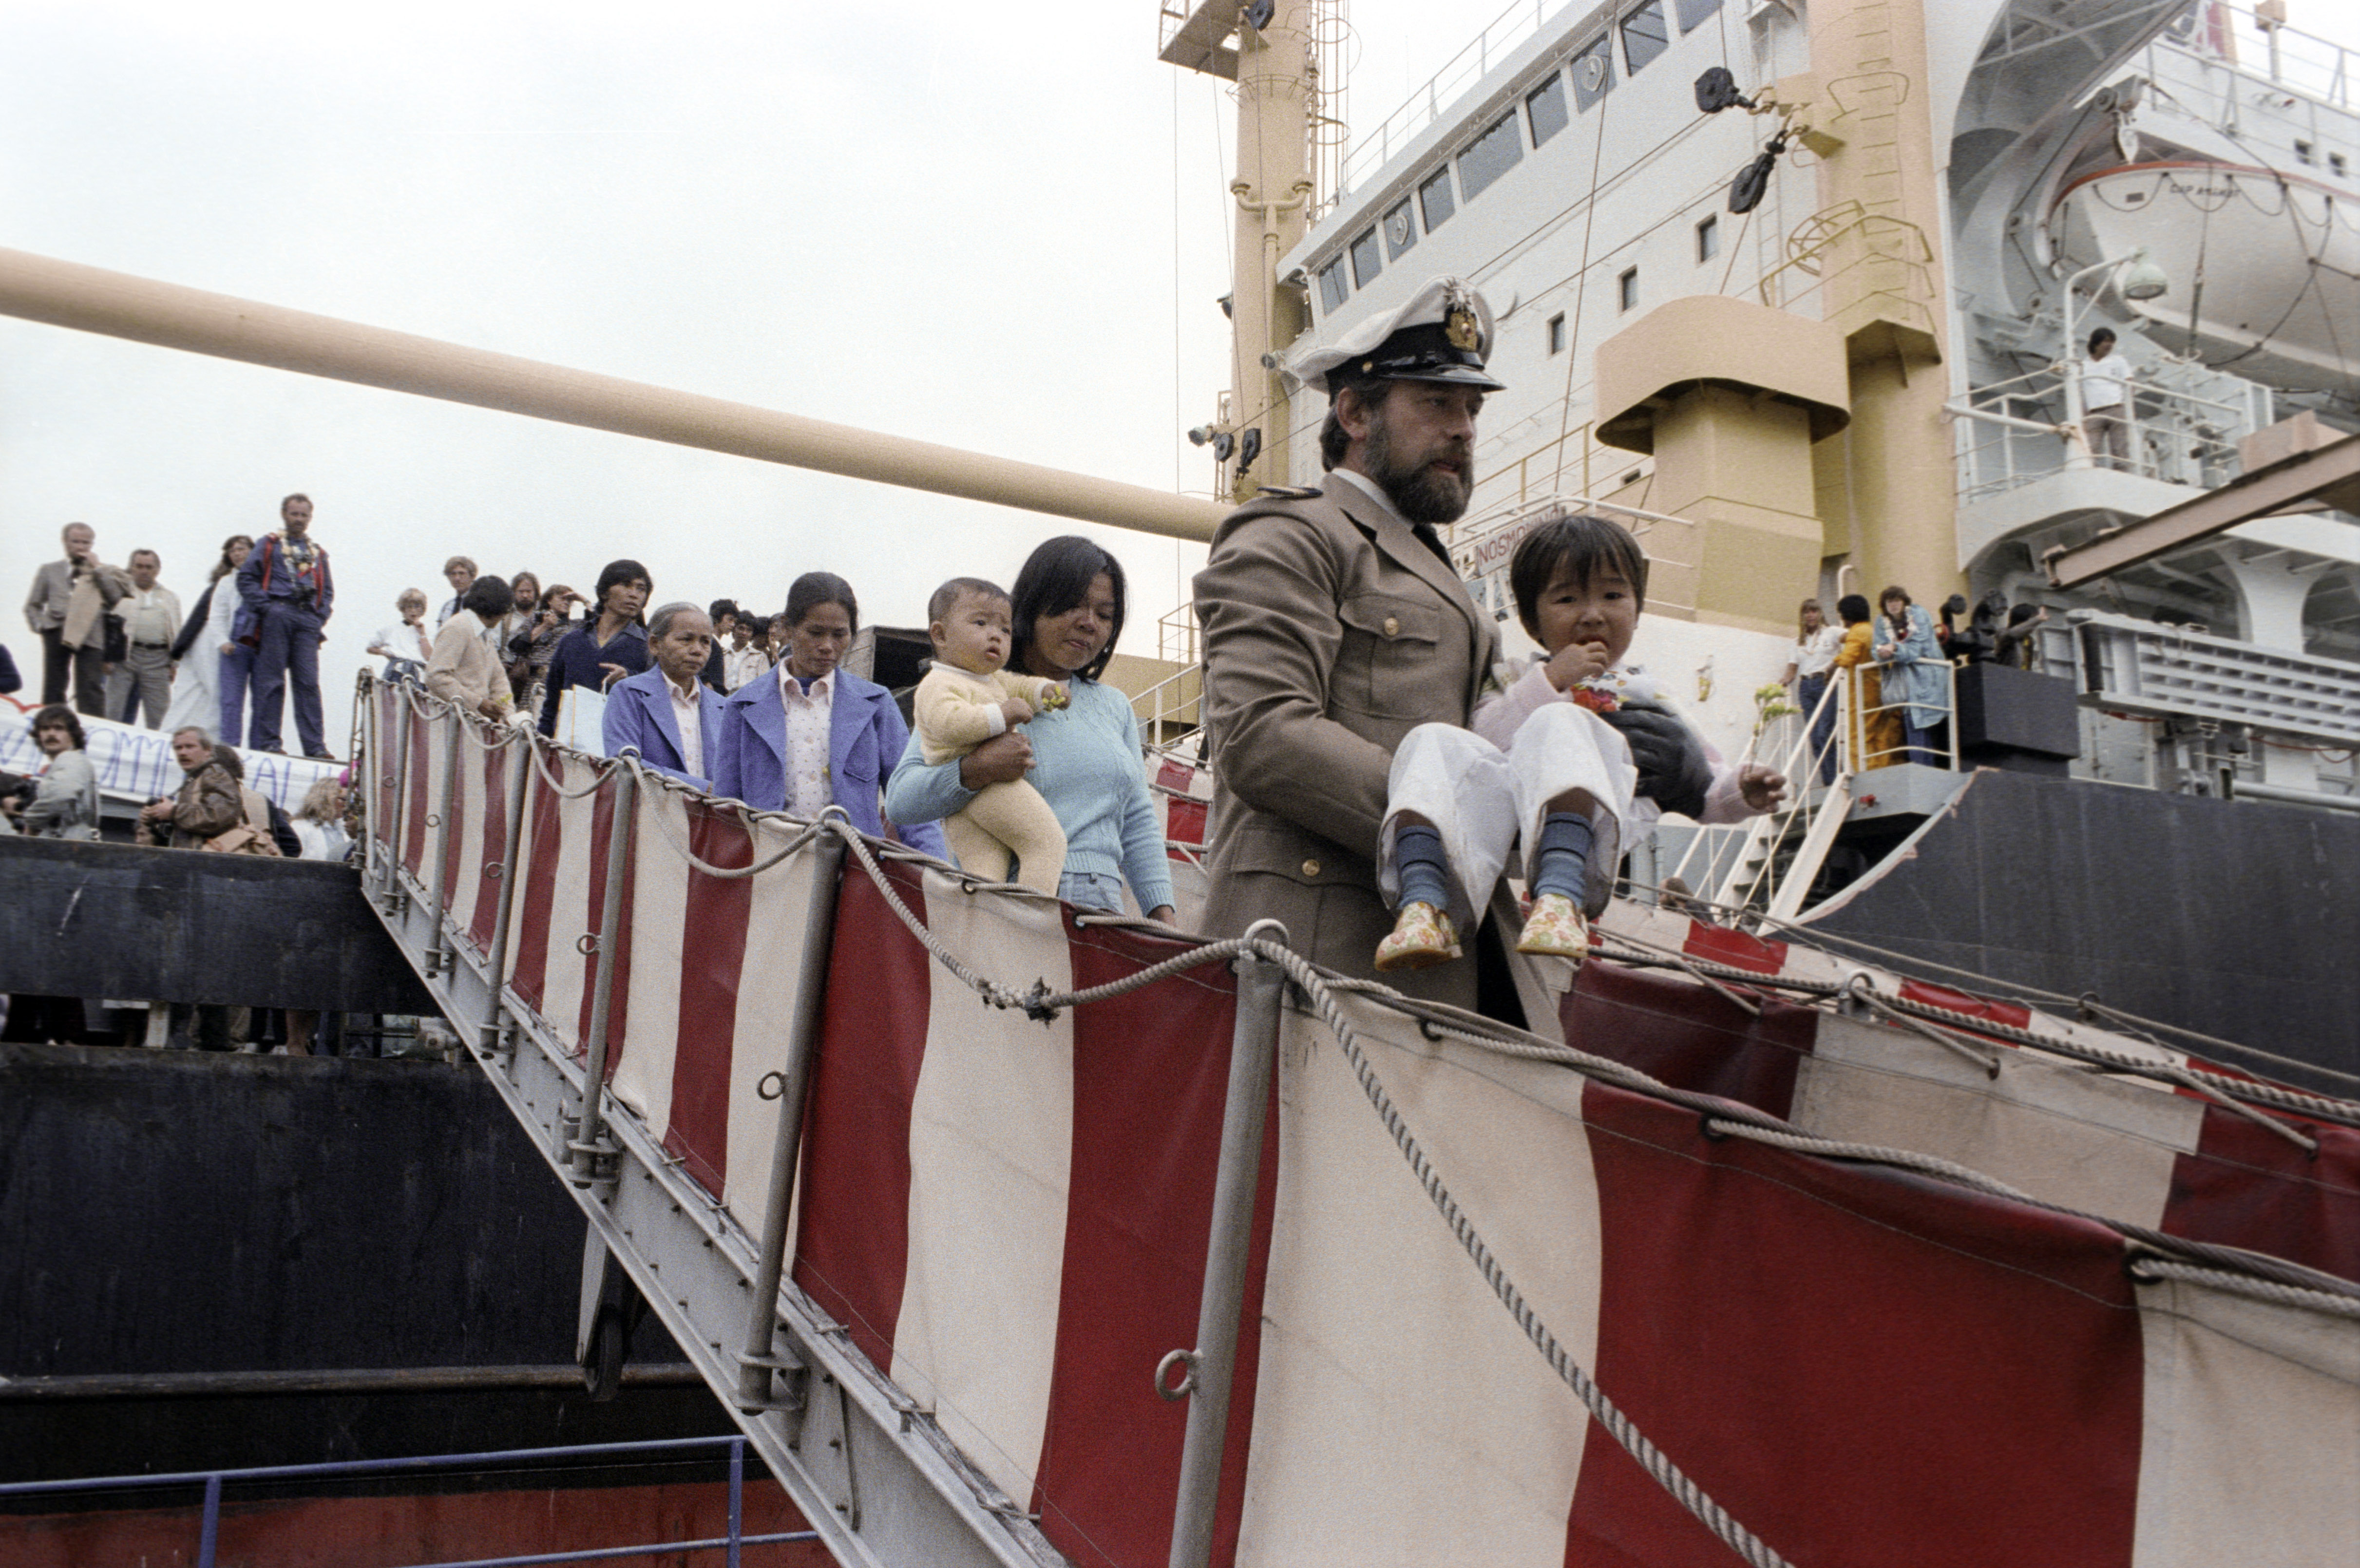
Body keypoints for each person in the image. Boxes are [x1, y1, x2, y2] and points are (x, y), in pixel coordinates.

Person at [1189, 278, 1510, 1003]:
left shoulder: (1436, 570)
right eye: (1437, 403)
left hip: (1434, 970)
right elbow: (1261, 734)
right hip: (1315, 966)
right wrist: (1447, 823)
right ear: (1355, 412)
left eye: (1472, 408)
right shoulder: (1290, 534)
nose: (1463, 428)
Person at [1371, 513, 1785, 970]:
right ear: (1531, 620)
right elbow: (1482, 742)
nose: (1593, 613)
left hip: (1595, 831)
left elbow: (1704, 788)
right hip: (1511, 821)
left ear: (1636, 608)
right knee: (1431, 739)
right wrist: (1550, 680)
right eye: (1568, 598)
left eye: (1613, 595)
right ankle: (1424, 905)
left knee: (1561, 721)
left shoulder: (1646, 694)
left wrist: (1742, 793)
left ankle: (1561, 897)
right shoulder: (1516, 678)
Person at [886, 539, 1173, 920]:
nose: (1089, 622)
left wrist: (1163, 913)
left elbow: (1137, 819)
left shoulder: (1115, 706)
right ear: (1033, 606)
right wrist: (977, 768)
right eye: (1073, 605)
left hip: (1103, 908)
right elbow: (902, 800)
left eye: (1105, 615)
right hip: (1007, 904)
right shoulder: (979, 688)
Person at [714, 572, 946, 857]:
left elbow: (912, 803)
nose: (827, 646)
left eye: (840, 634)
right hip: (769, 869)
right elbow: (725, 810)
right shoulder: (742, 706)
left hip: (856, 873)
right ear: (788, 628)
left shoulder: (876, 704)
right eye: (815, 632)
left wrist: (937, 878)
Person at [909, 578, 1070, 893]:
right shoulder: (937, 683)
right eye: (981, 622)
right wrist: (1003, 715)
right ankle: (1029, 920)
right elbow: (950, 724)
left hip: (962, 801)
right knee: (1047, 844)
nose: (995, 634)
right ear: (940, 635)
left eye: (1005, 629)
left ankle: (982, 934)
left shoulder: (988, 679)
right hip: (989, 785)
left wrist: (1045, 691)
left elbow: (1019, 686)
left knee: (985, 872)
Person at [237, 494, 336, 759]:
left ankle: (315, 747)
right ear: (284, 514)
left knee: (308, 683)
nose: (299, 520)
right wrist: (267, 607)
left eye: (304, 515)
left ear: (310, 518)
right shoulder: (270, 544)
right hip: (278, 613)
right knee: (271, 680)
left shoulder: (319, 553)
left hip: (307, 620)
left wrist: (319, 617)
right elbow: (247, 578)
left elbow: (327, 592)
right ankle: (269, 742)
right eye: (295, 514)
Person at [604, 602, 725, 787]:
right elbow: (625, 763)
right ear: (655, 644)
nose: (697, 650)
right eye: (686, 639)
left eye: (705, 642)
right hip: (648, 811)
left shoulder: (723, 707)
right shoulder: (630, 693)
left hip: (710, 815)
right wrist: (702, 789)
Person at [23, 523, 129, 716]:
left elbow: (115, 598)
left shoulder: (103, 571)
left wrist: (97, 568)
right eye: (76, 542)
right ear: (65, 542)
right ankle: (52, 727)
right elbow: (33, 605)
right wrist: (42, 626)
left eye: (86, 543)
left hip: (91, 633)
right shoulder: (50, 570)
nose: (81, 547)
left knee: (90, 686)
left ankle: (91, 733)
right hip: (57, 630)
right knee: (54, 685)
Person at [537, 560, 652, 737]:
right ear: (605, 592)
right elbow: (552, 702)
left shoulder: (648, 647)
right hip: (566, 745)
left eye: (641, 589)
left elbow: (659, 699)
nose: (634, 594)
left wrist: (630, 678)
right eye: (625, 585)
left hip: (618, 749)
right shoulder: (572, 641)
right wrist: (542, 742)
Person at [163, 536, 252, 738]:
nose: (238, 553)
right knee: (214, 692)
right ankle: (206, 738)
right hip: (211, 641)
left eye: (242, 549)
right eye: (233, 551)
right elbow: (199, 617)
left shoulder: (255, 581)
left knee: (202, 694)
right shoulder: (225, 582)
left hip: (228, 642)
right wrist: (177, 652)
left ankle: (194, 737)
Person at [105, 550, 183, 729]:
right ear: (131, 568)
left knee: (160, 716)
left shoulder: (169, 597)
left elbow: (176, 628)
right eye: (139, 566)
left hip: (158, 659)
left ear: (157, 570)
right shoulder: (121, 592)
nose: (144, 571)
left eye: (149, 567)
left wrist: (174, 663)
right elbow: (108, 624)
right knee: (113, 711)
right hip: (125, 657)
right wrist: (107, 657)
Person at [1873, 585, 1947, 767]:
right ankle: (1923, 769)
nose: (1894, 605)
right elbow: (1876, 649)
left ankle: (1923, 770)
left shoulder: (1918, 614)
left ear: (1904, 601)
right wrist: (1882, 653)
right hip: (1907, 681)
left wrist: (1895, 648)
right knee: (1914, 722)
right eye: (1889, 602)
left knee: (1922, 724)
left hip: (1928, 677)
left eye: (1897, 600)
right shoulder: (1881, 621)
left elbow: (1916, 649)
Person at [426, 576, 518, 720]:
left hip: (473, 724)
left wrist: (507, 714)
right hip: (448, 721)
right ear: (497, 608)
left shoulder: (485, 634)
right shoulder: (457, 627)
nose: (505, 617)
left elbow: (498, 679)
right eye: (506, 611)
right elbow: (435, 677)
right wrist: (478, 703)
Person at [3, 706, 100, 840]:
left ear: (73, 734)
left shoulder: (71, 759)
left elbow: (62, 794)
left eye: (59, 728)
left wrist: (31, 823)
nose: (51, 734)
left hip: (72, 842)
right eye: (45, 729)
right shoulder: (63, 764)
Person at [138, 726, 244, 848]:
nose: (183, 753)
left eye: (190, 747)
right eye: (178, 748)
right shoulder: (196, 778)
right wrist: (155, 816)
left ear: (208, 750)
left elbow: (218, 815)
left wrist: (173, 812)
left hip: (207, 860)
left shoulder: (215, 773)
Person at [1781, 598, 1843, 786]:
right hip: (1806, 687)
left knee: (1825, 732)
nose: (1810, 615)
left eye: (1814, 611)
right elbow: (1792, 667)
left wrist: (1836, 664)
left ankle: (1835, 780)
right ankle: (1828, 781)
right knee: (1815, 738)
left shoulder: (1831, 632)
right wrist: (1782, 683)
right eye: (1806, 612)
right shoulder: (1798, 641)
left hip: (1825, 683)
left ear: (1821, 613)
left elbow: (1854, 638)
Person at [1831, 593, 1894, 770]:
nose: (1842, 619)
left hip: (1864, 693)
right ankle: (1881, 768)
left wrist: (1830, 669)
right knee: (1879, 736)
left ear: (1848, 615)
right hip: (1880, 690)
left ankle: (1865, 772)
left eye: (1842, 614)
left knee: (1858, 736)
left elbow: (1847, 658)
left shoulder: (1858, 631)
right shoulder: (1871, 630)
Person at [507, 582, 580, 711]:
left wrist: (583, 600)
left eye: (570, 600)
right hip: (533, 681)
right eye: (562, 598)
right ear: (549, 601)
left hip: (560, 682)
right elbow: (515, 646)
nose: (567, 602)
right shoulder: (534, 620)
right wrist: (544, 626)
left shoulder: (575, 626)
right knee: (528, 719)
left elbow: (599, 623)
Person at [2081, 327, 2133, 472]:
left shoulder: (2118, 361)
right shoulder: (2084, 365)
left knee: (2119, 448)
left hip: (2116, 408)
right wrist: (2083, 415)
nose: (2109, 345)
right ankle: (2090, 475)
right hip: (2094, 413)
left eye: (2112, 342)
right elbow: (2083, 390)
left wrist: (2125, 405)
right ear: (2096, 342)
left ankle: (2122, 477)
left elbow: (2129, 382)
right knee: (2090, 449)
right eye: (2106, 341)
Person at [367, 590, 436, 685]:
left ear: (422, 609)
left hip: (419, 674)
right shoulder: (391, 629)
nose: (413, 610)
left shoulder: (429, 632)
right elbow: (371, 647)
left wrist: (422, 634)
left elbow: (429, 657)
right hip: (397, 671)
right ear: (403, 609)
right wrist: (386, 653)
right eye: (409, 607)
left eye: (417, 606)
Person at [723, 614, 771, 693]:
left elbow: (764, 685)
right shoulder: (723, 655)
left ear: (752, 634)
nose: (744, 633)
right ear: (734, 630)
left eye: (749, 630)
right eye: (741, 628)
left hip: (747, 702)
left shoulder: (760, 657)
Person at [701, 599, 739, 691]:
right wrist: (707, 683)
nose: (733, 624)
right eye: (730, 619)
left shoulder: (715, 643)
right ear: (718, 617)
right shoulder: (710, 642)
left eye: (735, 621)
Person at [436, 556, 478, 627]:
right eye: (453, 574)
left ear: (472, 576)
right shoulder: (447, 607)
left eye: (462, 574)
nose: (457, 578)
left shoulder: (480, 604)